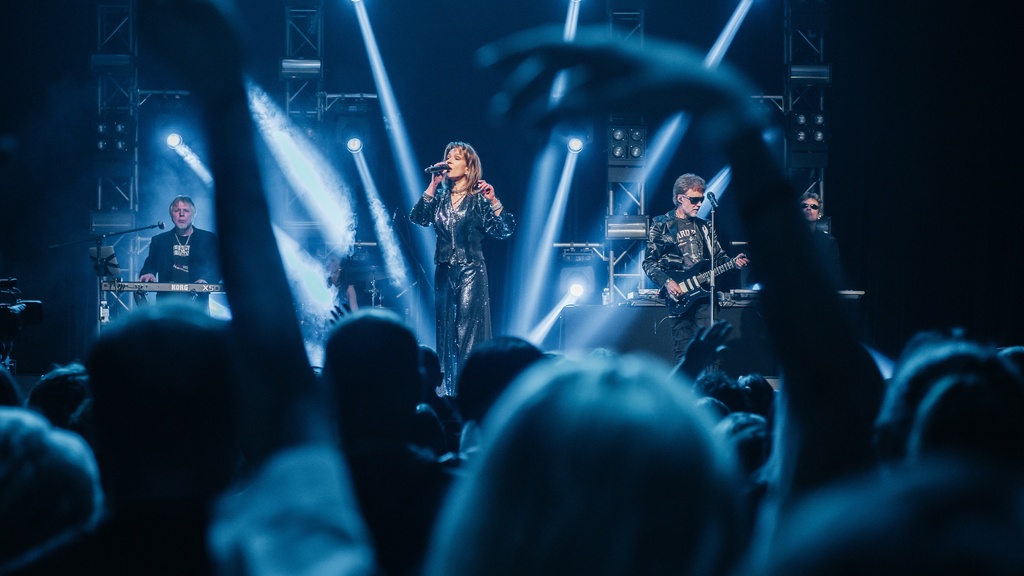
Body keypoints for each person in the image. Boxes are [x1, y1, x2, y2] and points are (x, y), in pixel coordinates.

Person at [409, 142, 516, 395]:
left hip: (471, 270)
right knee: (445, 330)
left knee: (468, 330)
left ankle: (470, 390)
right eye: (447, 157)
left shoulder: (479, 199)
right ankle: (446, 392)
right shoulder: (440, 199)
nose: (448, 161)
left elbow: (505, 230)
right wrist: (433, 185)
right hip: (444, 271)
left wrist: (494, 201)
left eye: (455, 158)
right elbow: (418, 217)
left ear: (468, 168)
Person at [643, 173, 749, 362]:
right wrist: (667, 282)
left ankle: (710, 381)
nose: (699, 204)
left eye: (701, 199)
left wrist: (734, 262)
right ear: (680, 198)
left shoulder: (705, 226)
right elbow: (649, 262)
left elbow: (719, 258)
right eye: (694, 200)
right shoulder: (661, 224)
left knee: (710, 351)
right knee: (683, 352)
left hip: (705, 296)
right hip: (679, 296)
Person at [138, 195, 221, 309]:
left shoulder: (208, 238)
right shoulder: (159, 240)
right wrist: (149, 273)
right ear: (171, 215)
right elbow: (150, 265)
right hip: (166, 304)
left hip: (197, 304)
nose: (181, 214)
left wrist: (205, 280)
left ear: (193, 215)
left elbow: (216, 268)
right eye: (177, 210)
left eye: (186, 210)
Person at [799, 191, 842, 287]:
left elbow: (834, 275)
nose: (809, 208)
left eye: (813, 206)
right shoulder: (788, 240)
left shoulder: (829, 242)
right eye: (804, 205)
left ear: (819, 214)